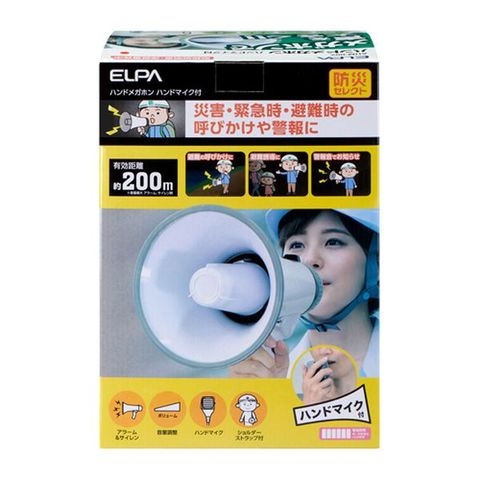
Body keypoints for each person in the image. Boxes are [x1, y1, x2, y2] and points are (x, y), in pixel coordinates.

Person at [229, 208, 379, 380]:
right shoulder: (272, 375)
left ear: (378, 263)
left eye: (333, 242)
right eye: (297, 245)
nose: (310, 260)